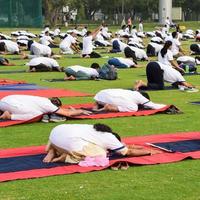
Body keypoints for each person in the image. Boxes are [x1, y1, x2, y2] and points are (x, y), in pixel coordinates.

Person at [43, 123, 161, 163]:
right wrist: (149, 152)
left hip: (55, 134)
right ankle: (66, 157)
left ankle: (53, 149)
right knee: (101, 156)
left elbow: (125, 146)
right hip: (70, 143)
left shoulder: (93, 129)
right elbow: (127, 151)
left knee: (71, 140)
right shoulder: (109, 138)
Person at [0, 95, 91, 122]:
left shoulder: (43, 99)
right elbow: (66, 114)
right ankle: (9, 116)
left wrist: (71, 110)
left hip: (5, 101)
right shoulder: (48, 105)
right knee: (37, 115)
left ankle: (4, 112)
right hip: (12, 105)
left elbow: (62, 111)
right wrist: (81, 110)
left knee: (35, 110)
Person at [93, 89, 166, 112]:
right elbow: (153, 105)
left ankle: (97, 105)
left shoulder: (131, 92)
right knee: (134, 108)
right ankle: (109, 108)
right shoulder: (139, 96)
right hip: (108, 99)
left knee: (124, 100)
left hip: (99, 95)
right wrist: (167, 107)